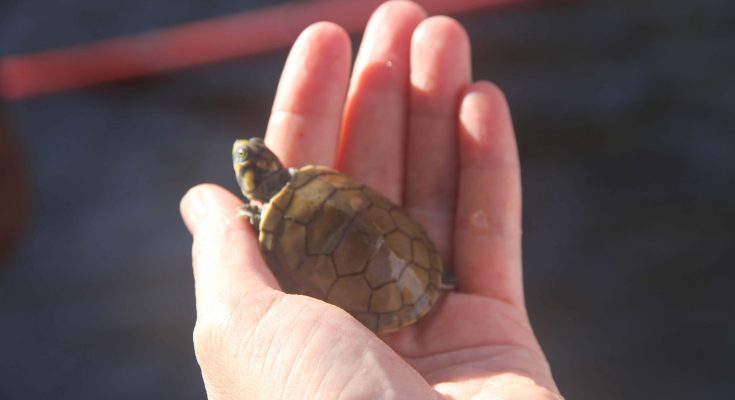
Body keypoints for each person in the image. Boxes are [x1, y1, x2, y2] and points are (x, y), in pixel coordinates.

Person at [180, 1, 562, 398]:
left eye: (252, 152)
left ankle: (431, 284)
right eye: (248, 156)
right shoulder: (307, 183)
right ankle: (436, 281)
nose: (247, 147)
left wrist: (256, 220)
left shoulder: (281, 212)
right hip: (414, 266)